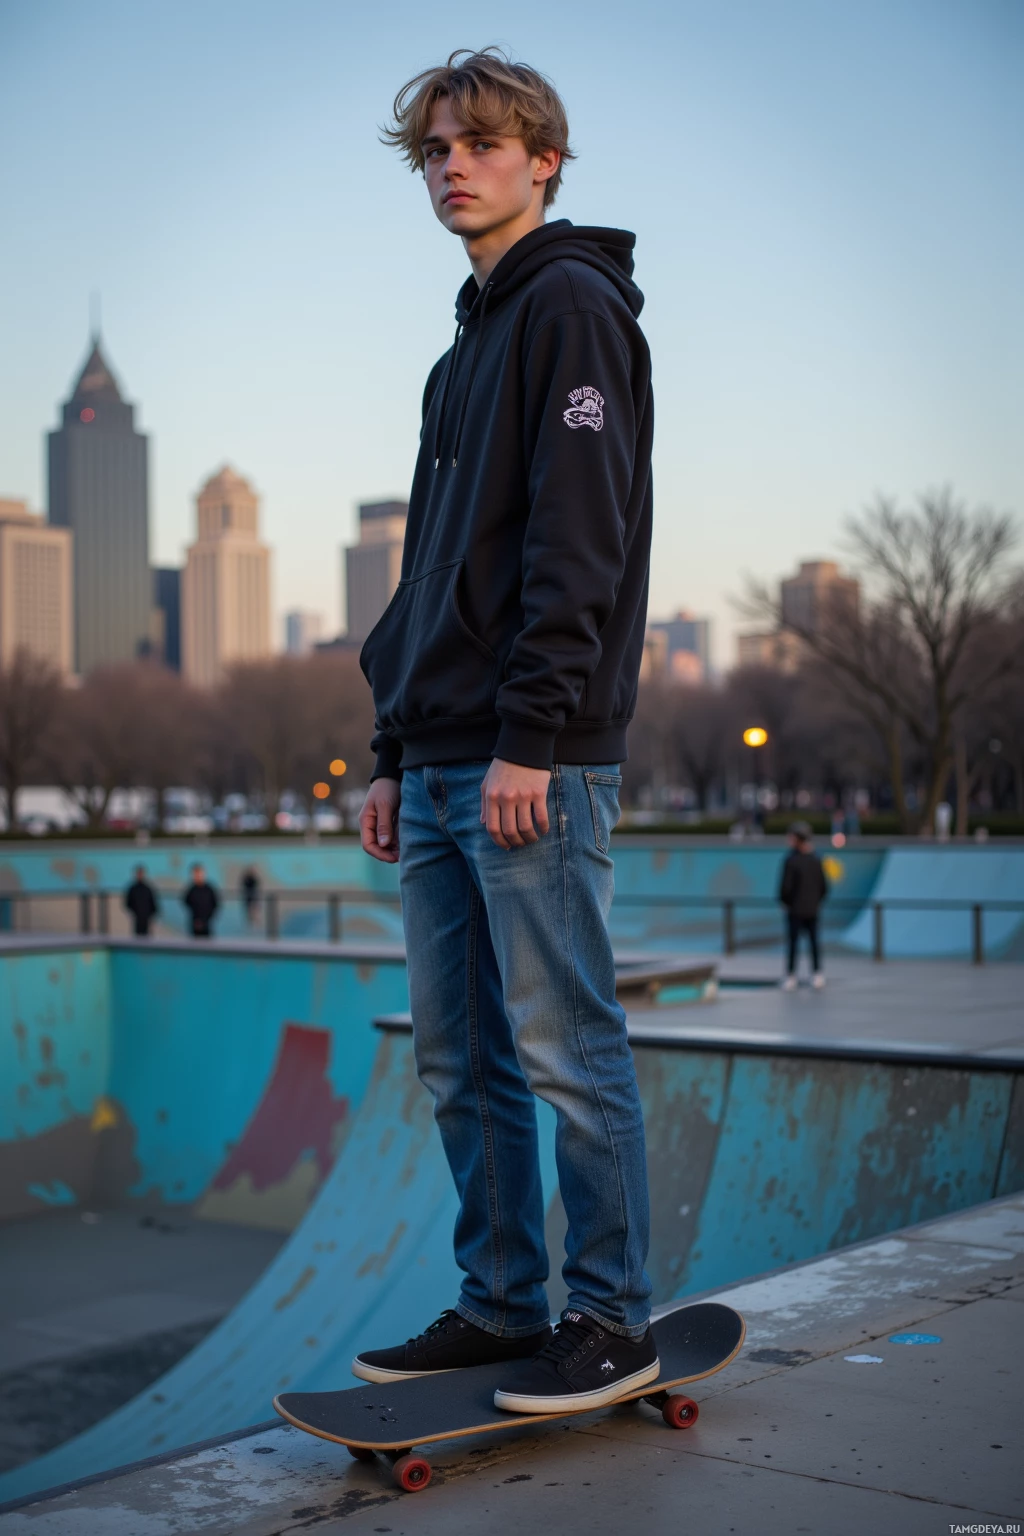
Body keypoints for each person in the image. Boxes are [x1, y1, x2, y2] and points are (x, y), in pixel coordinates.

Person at [355, 49, 656, 1416]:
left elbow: (577, 542)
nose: (453, 166)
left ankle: (608, 1315)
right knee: (456, 1052)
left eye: (480, 143)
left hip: (531, 755)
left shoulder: (575, 310)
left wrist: (532, 734)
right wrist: (392, 749)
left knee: (563, 1043)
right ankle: (498, 1305)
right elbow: (427, 571)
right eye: (433, 150)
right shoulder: (454, 354)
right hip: (440, 755)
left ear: (545, 160)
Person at [779, 823, 828, 989]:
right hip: (812, 909)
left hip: (795, 910)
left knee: (794, 944)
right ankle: (817, 973)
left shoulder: (791, 860)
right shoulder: (816, 859)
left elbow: (785, 887)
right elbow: (824, 887)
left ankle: (791, 975)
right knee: (813, 942)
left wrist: (785, 903)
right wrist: (817, 902)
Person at [183, 863, 219, 938]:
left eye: (199, 873)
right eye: (195, 874)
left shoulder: (209, 889)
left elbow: (215, 904)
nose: (198, 876)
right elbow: (186, 902)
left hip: (207, 923)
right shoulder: (191, 890)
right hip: (194, 923)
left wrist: (208, 917)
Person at [124, 865, 159, 937]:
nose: (140, 875)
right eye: (139, 873)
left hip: (146, 918)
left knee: (146, 937)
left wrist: (150, 914)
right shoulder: (133, 889)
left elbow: (153, 903)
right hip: (137, 917)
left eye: (141, 873)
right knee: (137, 937)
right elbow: (128, 903)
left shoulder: (148, 889)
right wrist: (134, 912)